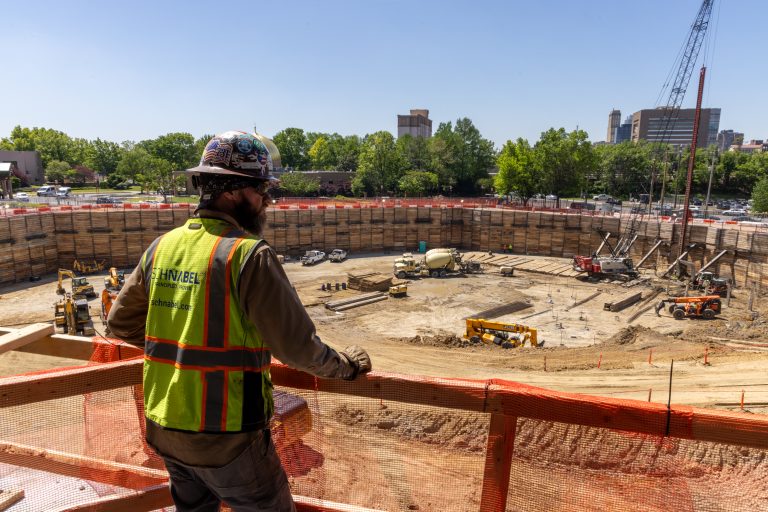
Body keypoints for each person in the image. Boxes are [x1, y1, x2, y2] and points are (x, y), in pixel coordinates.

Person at [107, 130, 372, 512]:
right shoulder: (248, 256)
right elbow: (297, 348)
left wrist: (182, 343)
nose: (267, 200)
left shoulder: (162, 247)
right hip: (226, 433)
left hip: (165, 425)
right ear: (231, 191)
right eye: (260, 189)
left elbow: (121, 323)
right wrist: (346, 367)